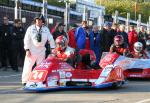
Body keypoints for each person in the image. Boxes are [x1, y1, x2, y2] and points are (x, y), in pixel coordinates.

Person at [22, 14, 55, 85]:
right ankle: (25, 81)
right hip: (32, 49)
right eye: (37, 19)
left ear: (42, 21)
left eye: (40, 20)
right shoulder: (30, 28)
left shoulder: (46, 29)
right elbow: (26, 39)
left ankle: (39, 80)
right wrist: (27, 49)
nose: (38, 21)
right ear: (35, 20)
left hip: (41, 50)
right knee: (28, 65)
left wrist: (52, 48)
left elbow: (51, 38)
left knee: (41, 67)